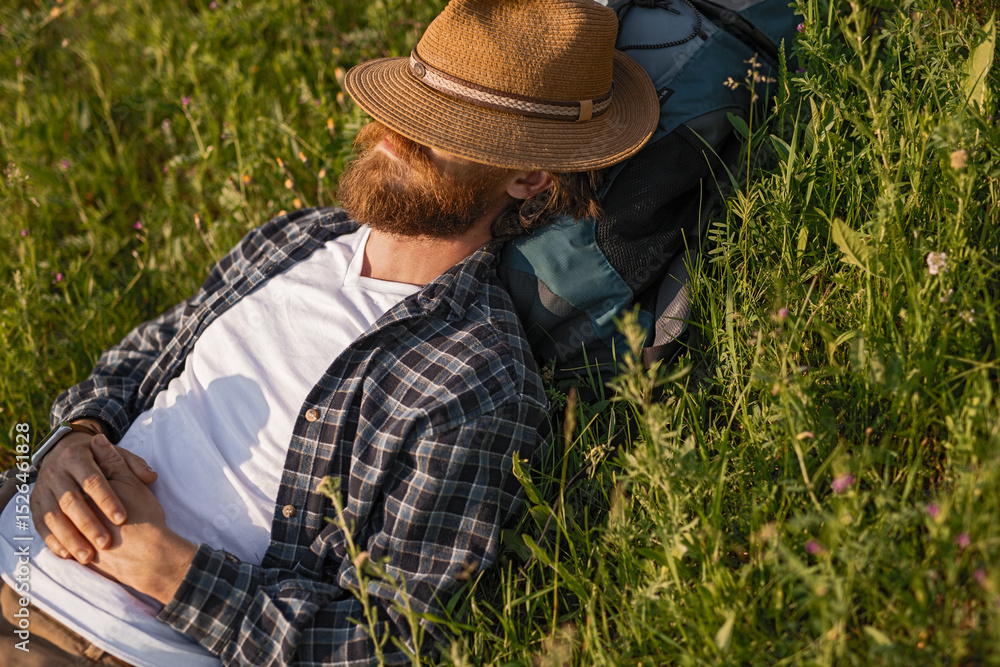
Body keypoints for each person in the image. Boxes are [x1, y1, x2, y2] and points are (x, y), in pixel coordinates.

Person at [0, 0, 658, 664]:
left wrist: (167, 569)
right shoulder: (299, 237)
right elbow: (145, 356)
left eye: (441, 125)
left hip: (97, 643)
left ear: (528, 177)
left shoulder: (476, 379)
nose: (392, 131)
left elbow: (389, 639)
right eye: (406, 101)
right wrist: (70, 439)